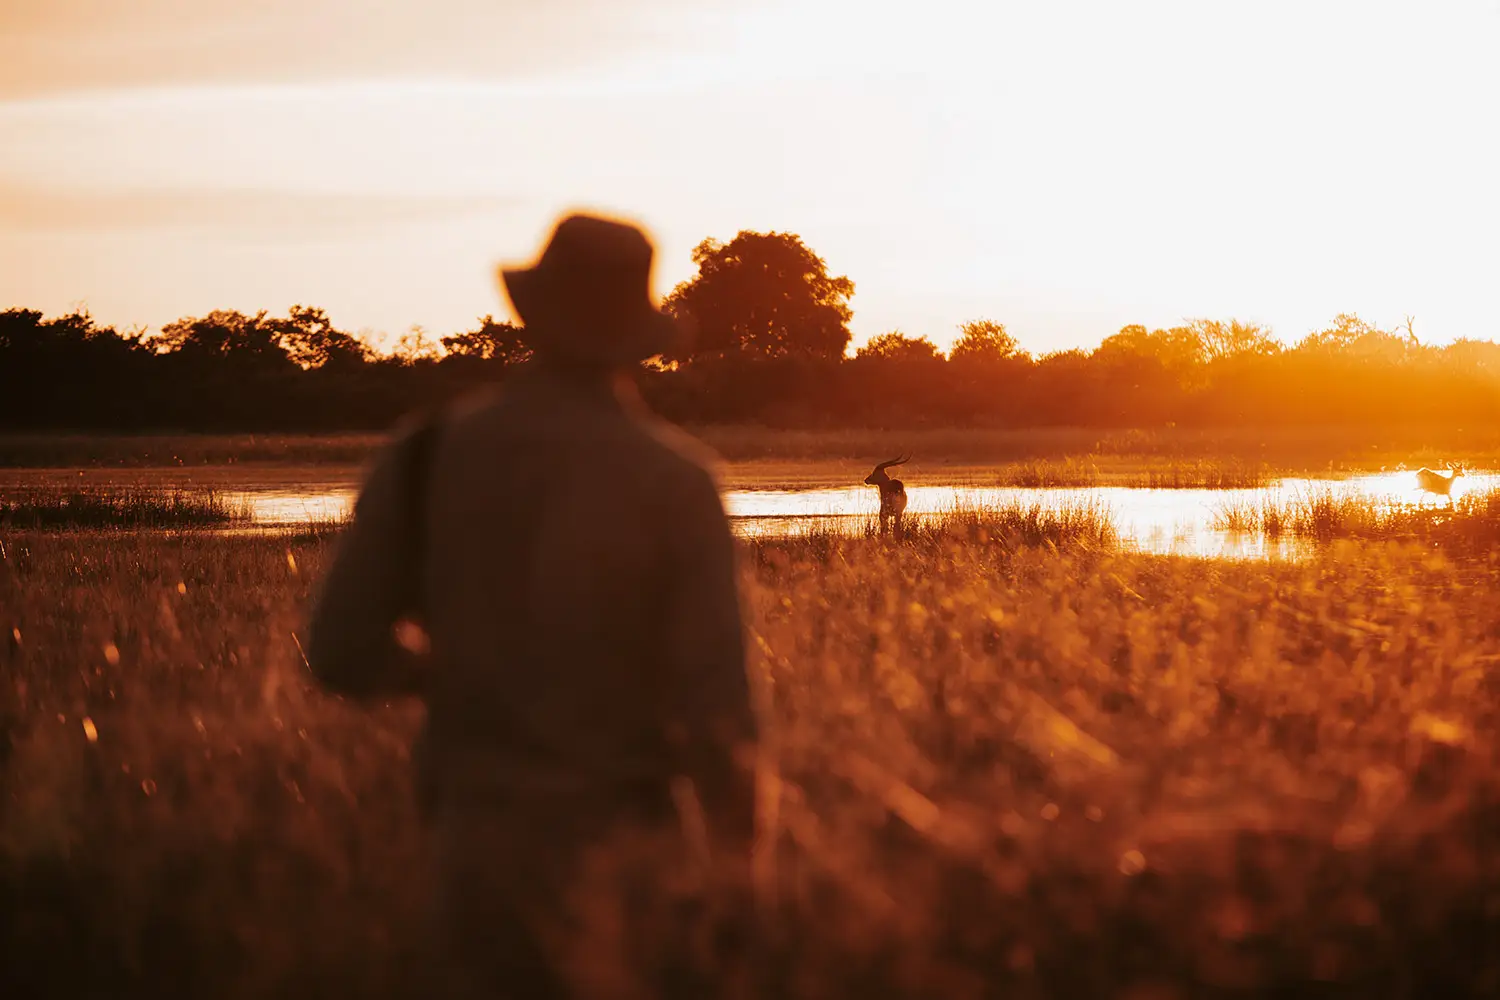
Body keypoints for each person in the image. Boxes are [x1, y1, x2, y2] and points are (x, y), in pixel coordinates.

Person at [305, 212, 760, 998]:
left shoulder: (426, 455)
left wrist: (450, 675)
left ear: (536, 316)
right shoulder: (677, 480)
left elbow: (340, 650)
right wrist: (741, 878)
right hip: (635, 848)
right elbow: (720, 714)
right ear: (637, 333)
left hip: (472, 853)